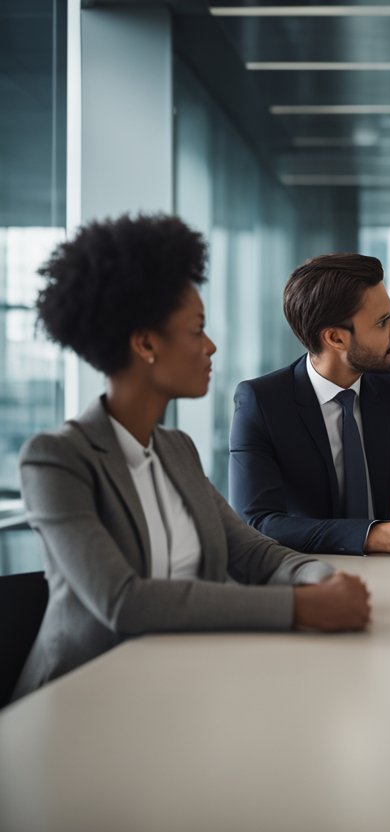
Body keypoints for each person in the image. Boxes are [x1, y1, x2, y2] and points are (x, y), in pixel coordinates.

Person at [15, 214, 370, 699]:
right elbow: (124, 601)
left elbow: (251, 552)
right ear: (145, 344)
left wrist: (320, 579)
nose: (211, 346)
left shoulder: (175, 449)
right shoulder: (56, 460)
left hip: (180, 684)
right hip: (78, 699)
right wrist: (300, 608)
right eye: (196, 330)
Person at [229, 253, 390, 556]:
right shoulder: (261, 403)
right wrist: (379, 536)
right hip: (302, 581)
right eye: (382, 323)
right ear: (335, 339)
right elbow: (257, 524)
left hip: (389, 580)